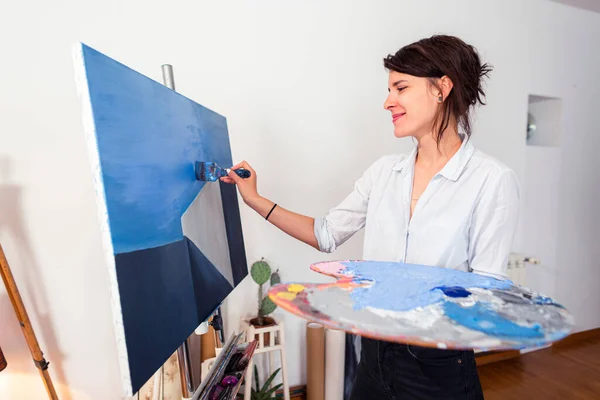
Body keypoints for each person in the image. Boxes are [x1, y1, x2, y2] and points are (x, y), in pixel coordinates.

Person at [221, 35, 520, 399]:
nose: (387, 101)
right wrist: (254, 200)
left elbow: (486, 289)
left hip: (437, 365)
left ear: (441, 88)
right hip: (375, 354)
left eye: (401, 87)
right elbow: (326, 233)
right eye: (389, 89)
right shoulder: (383, 173)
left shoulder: (491, 179)